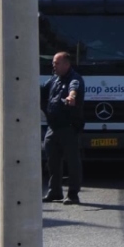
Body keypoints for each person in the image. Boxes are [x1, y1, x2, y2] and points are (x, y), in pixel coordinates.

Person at [41, 51, 86, 204]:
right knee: (52, 160)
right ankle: (55, 191)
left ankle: (73, 194)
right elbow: (42, 90)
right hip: (53, 127)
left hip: (68, 127)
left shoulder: (74, 79)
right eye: (54, 62)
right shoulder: (54, 79)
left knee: (72, 161)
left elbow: (74, 89)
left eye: (57, 63)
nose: (54, 65)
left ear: (66, 64)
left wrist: (71, 97)